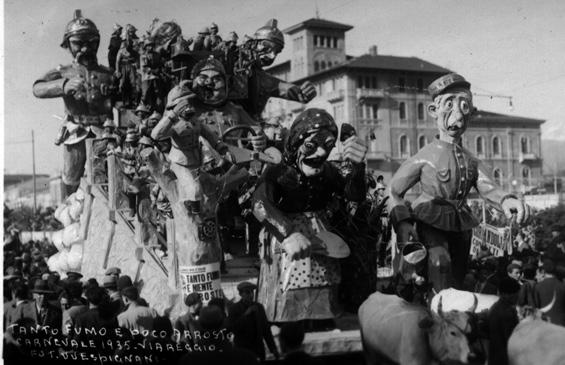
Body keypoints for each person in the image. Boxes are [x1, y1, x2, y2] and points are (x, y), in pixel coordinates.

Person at [389, 73, 532, 292]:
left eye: (464, 106)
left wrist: (506, 200)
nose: (457, 113)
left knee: (457, 273)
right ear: (433, 111)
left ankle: (451, 315)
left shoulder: (471, 160)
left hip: (461, 225)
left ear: (471, 114)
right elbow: (393, 191)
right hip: (430, 221)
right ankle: (438, 311)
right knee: (439, 263)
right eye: (449, 104)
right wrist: (403, 222)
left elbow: (488, 186)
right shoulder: (424, 156)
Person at [33, 9, 115, 197]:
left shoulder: (108, 73)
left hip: (103, 131)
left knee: (104, 176)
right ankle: (70, 215)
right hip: (75, 132)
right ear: (68, 45)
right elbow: (37, 88)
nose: (85, 48)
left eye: (91, 43)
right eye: (78, 43)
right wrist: (63, 85)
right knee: (71, 176)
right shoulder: (64, 71)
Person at [235, 19, 317, 120]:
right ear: (253, 43)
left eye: (277, 51)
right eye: (267, 46)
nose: (272, 55)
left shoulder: (264, 80)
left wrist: (305, 92)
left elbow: (293, 91)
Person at [227, 282, 279, 361]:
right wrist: (245, 315)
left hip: (258, 348)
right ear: (241, 294)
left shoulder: (259, 307)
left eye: (252, 292)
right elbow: (233, 328)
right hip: (243, 349)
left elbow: (266, 329)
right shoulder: (234, 308)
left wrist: (273, 348)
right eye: (248, 292)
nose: (251, 295)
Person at [488, 277, 520, 365]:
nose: (518, 297)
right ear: (508, 295)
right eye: (516, 294)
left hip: (494, 356)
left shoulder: (495, 306)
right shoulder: (507, 313)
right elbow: (511, 339)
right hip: (505, 358)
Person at [534, 259, 565, 326]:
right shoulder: (562, 286)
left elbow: (535, 307)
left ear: (543, 271)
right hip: (561, 324)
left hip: (545, 323)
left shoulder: (538, 287)